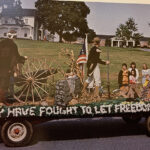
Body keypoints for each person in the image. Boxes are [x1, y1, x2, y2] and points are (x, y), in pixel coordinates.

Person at [0, 38, 21, 103]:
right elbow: (16, 57)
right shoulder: (13, 46)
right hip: (7, 68)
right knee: (4, 84)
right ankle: (1, 101)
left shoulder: (1, 44)